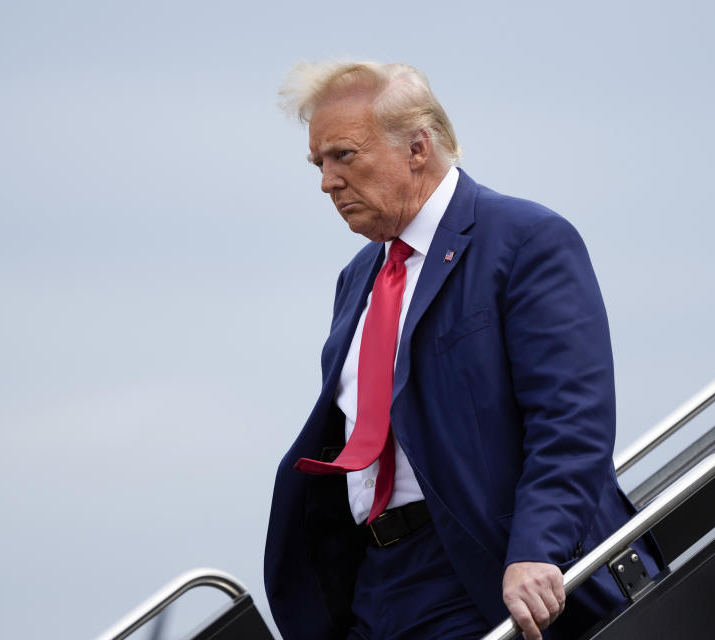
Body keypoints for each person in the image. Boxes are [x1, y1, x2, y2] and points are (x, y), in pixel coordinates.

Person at [264, 61, 661, 640]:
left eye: (343, 155)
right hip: (377, 582)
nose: (327, 181)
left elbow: (571, 419)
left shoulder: (524, 238)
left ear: (418, 147)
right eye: (318, 163)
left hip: (481, 567)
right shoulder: (358, 278)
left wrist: (536, 549)